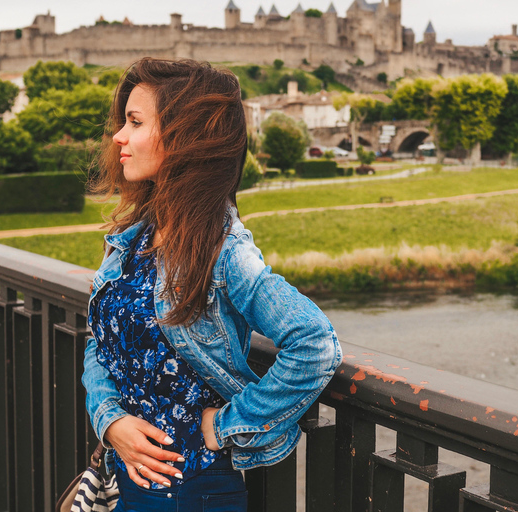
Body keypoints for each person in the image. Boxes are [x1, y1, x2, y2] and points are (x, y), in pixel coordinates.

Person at [81, 57, 342, 512]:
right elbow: (100, 343)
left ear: (185, 139)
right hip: (129, 481)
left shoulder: (223, 250)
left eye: (135, 122)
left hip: (189, 494)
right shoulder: (135, 237)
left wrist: (223, 427)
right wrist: (111, 420)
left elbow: (314, 345)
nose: (119, 137)